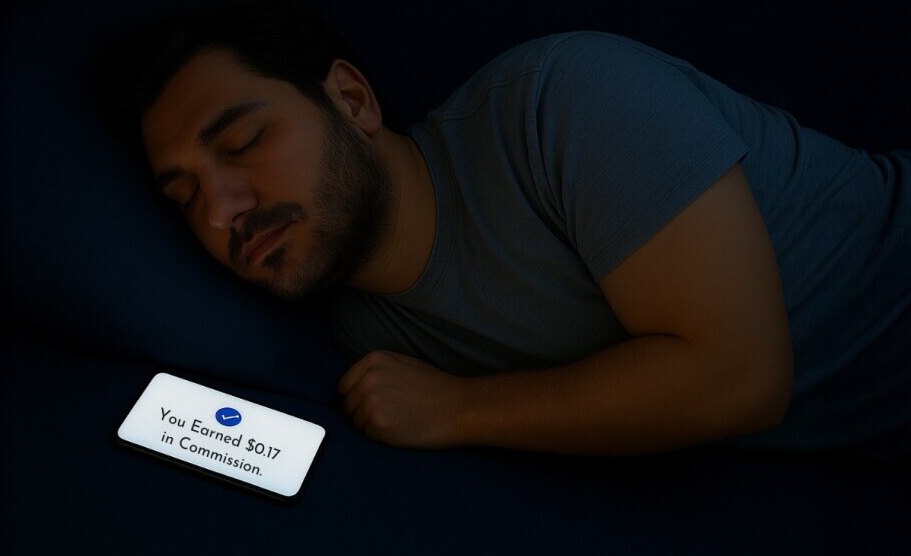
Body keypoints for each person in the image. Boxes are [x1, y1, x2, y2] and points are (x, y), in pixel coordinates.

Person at [122, 1, 910, 458]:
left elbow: (742, 376)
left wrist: (458, 411)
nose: (219, 212)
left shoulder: (562, 101)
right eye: (184, 197)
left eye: (243, 142)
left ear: (353, 101)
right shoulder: (368, 338)